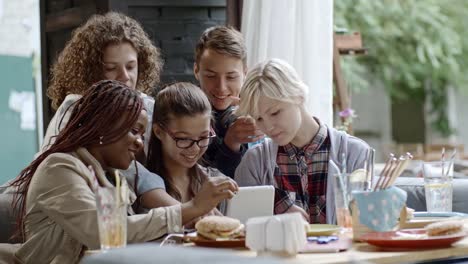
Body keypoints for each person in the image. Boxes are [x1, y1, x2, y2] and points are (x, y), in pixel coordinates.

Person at [9, 80, 238, 263]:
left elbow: (130, 239)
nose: (140, 143)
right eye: (134, 131)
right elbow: (105, 234)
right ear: (104, 127)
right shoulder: (60, 168)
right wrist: (191, 209)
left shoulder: (114, 177)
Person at [42, 12, 178, 209]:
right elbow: (125, 171)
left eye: (131, 67)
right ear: (92, 70)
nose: (124, 77)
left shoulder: (147, 107)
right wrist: (185, 212)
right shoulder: (76, 109)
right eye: (111, 68)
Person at [234, 58, 369, 224]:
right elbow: (241, 228)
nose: (268, 127)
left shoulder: (355, 153)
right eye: (259, 119)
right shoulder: (254, 162)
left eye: (275, 113)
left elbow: (368, 225)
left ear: (298, 96)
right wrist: (274, 207)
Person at [146, 82, 228, 215]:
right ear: (158, 132)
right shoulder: (144, 186)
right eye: (184, 139)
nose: (195, 148)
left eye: (204, 136)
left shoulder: (215, 181)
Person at [193, 26, 264, 178]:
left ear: (245, 73)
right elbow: (200, 184)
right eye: (211, 76)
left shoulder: (262, 112)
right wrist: (231, 143)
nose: (221, 88)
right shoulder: (185, 115)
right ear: (196, 71)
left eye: (231, 77)